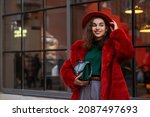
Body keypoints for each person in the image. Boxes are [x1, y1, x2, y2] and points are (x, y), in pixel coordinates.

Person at [60, 11, 134, 100]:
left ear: (106, 29)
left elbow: (128, 53)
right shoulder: (80, 47)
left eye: (101, 25)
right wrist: (74, 80)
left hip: (103, 88)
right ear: (91, 28)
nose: (97, 28)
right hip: (84, 88)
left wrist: (117, 32)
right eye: (94, 25)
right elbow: (66, 68)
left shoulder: (112, 45)